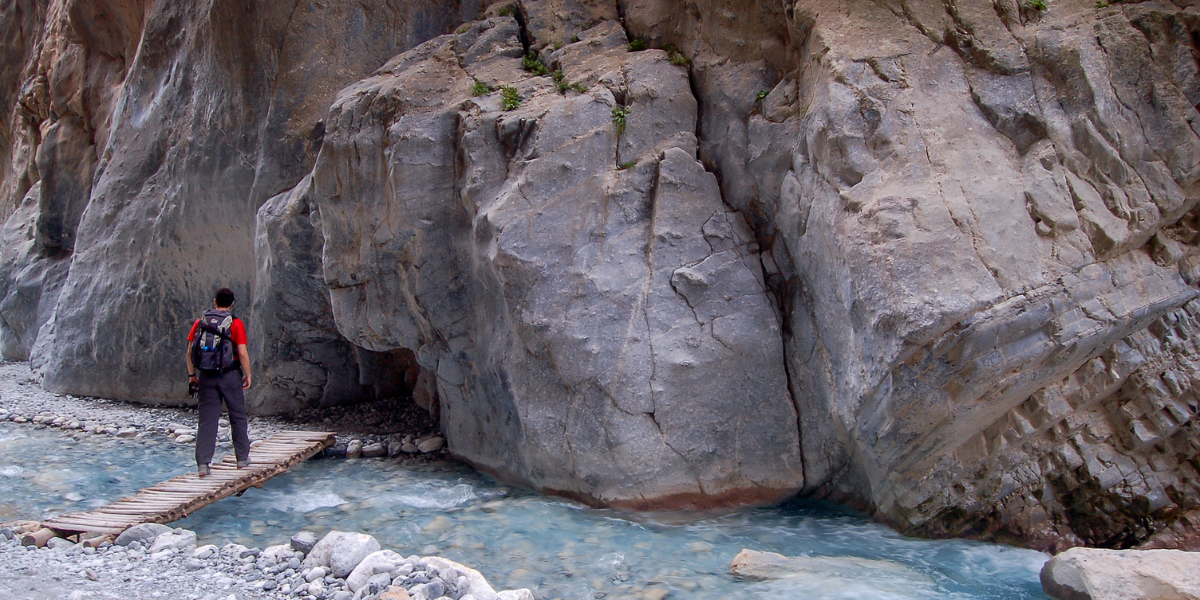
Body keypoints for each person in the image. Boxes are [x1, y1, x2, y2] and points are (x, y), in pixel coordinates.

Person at [185, 287, 252, 477]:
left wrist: (192, 376)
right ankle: (241, 459)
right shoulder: (235, 323)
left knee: (207, 420)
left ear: (215, 301)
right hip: (230, 375)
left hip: (206, 375)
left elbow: (190, 352)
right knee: (237, 415)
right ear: (231, 304)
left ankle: (203, 465)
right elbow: (242, 352)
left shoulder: (201, 322)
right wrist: (248, 375)